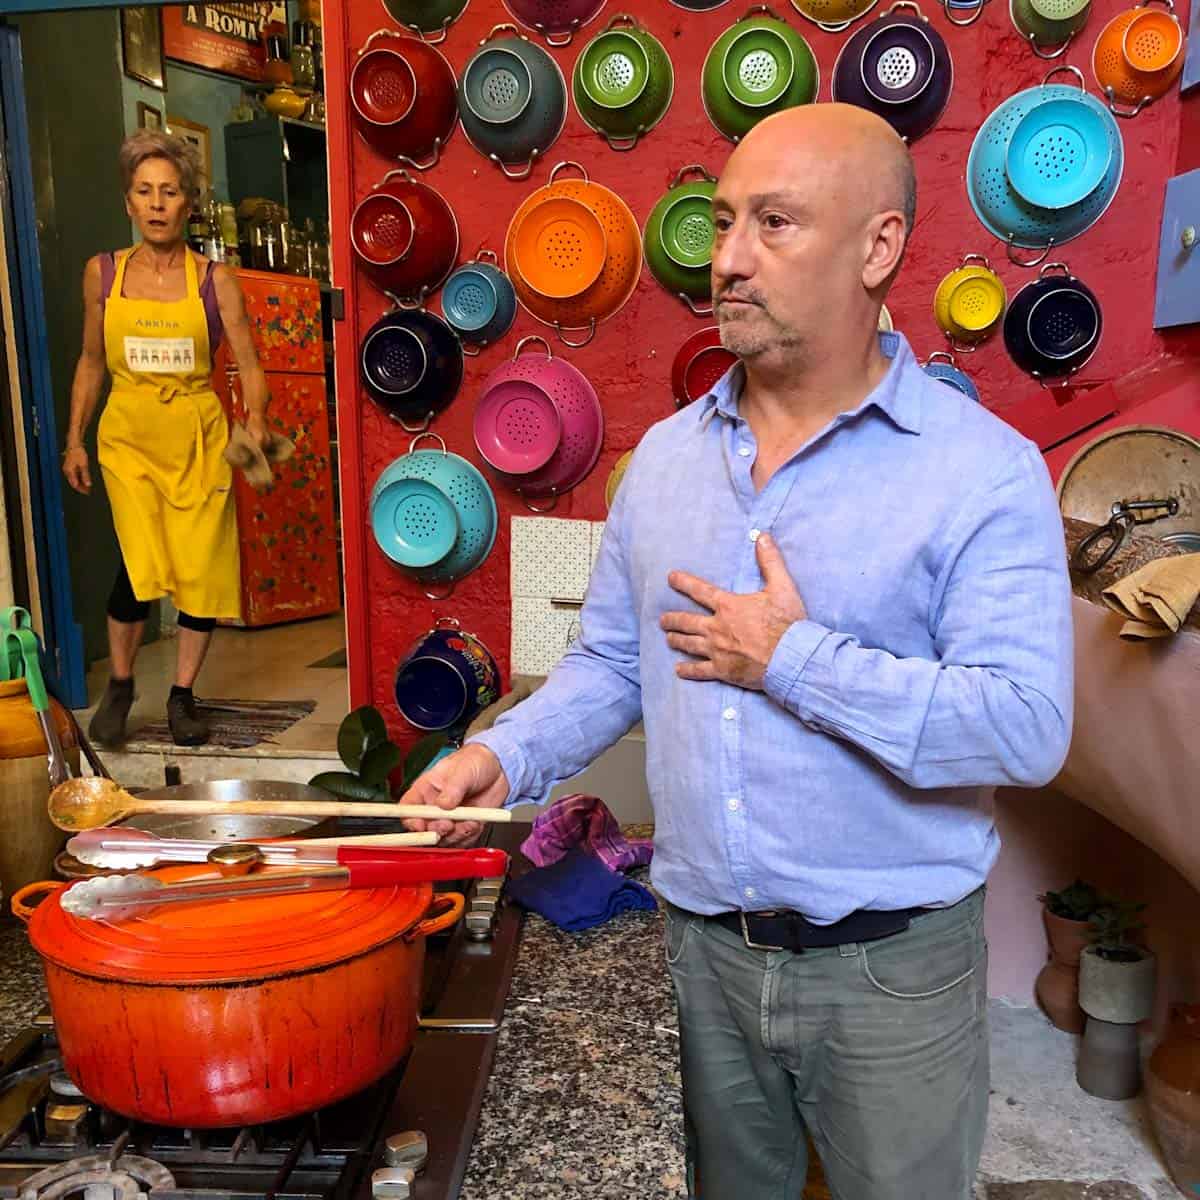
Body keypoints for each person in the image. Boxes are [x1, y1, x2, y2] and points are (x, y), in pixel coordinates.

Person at [401, 104, 1074, 1199]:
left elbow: (1025, 726)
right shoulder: (664, 460)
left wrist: (792, 658)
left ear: (879, 247)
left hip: (890, 969)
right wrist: (505, 756)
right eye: (722, 222)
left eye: (773, 223)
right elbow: (617, 663)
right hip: (707, 951)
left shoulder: (980, 472)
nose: (727, 259)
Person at [62, 130, 270, 748]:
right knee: (139, 562)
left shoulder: (215, 280)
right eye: (144, 191)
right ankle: (122, 683)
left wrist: (254, 418)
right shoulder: (102, 273)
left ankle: (182, 696)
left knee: (200, 568)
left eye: (170, 192)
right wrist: (74, 437)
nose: (157, 204)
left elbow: (250, 362)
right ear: (128, 201)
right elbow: (91, 360)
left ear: (189, 203)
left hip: (198, 434)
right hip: (128, 436)